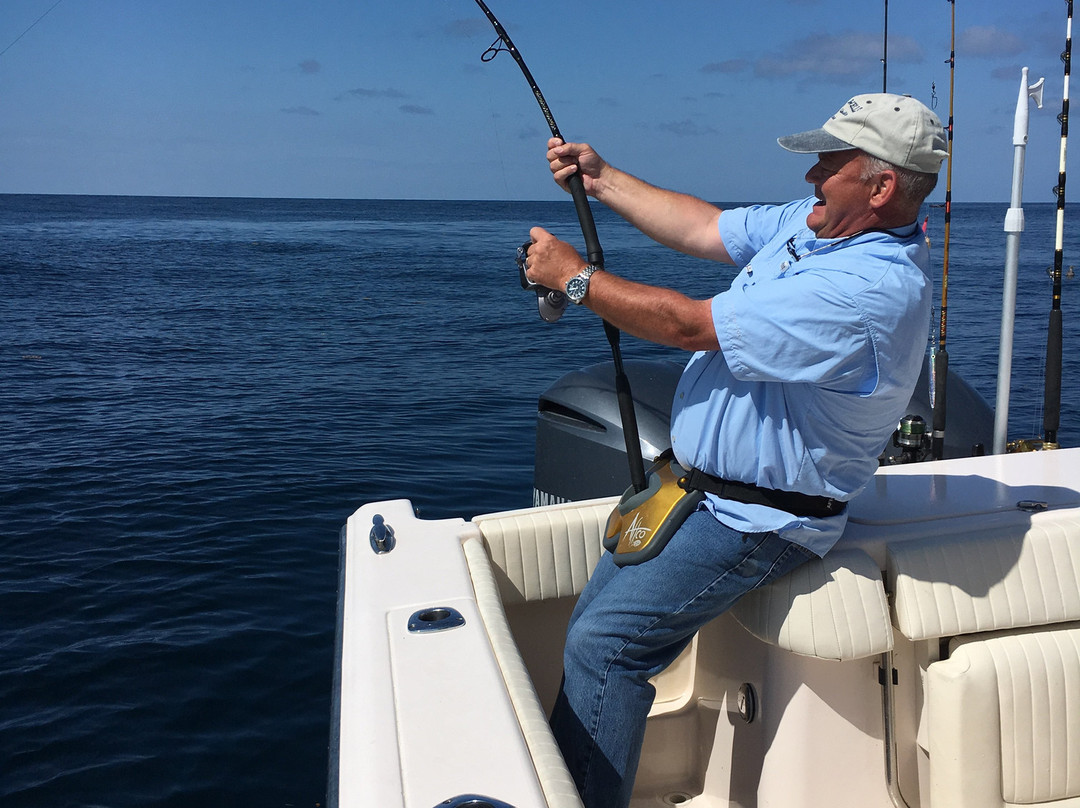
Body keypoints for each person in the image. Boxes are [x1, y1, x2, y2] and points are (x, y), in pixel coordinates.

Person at [520, 92, 947, 808]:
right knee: (590, 635)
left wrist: (574, 278)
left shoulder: (868, 289)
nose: (812, 177)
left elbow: (688, 325)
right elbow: (705, 226)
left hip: (757, 519)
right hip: (693, 490)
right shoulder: (815, 230)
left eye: (830, 164)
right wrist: (602, 178)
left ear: (879, 187)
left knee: (606, 649)